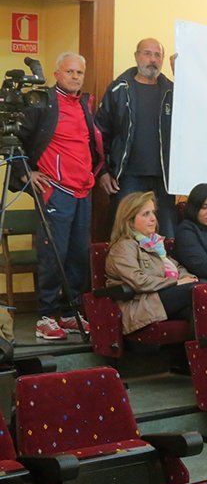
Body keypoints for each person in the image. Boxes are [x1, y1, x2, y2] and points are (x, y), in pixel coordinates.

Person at [18, 52, 101, 340]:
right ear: (57, 74)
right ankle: (45, 316)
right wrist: (26, 172)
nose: (76, 77)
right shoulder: (42, 102)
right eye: (70, 72)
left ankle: (68, 313)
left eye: (80, 72)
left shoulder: (85, 105)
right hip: (56, 190)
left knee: (78, 255)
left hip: (83, 191)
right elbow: (16, 138)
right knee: (53, 254)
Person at [96, 38, 177, 238]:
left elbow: (196, 118)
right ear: (136, 56)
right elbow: (99, 133)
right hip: (127, 177)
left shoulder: (173, 91)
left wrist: (182, 76)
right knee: (125, 234)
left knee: (166, 236)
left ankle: (167, 271)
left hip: (164, 178)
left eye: (157, 55)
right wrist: (102, 171)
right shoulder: (118, 89)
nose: (152, 59)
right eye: (147, 53)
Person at [105, 192, 197, 335]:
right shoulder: (124, 246)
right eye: (146, 214)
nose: (153, 218)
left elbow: (177, 268)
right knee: (195, 291)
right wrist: (175, 283)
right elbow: (138, 281)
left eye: (153, 212)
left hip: (161, 299)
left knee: (199, 306)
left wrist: (190, 278)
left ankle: (206, 353)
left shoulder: (155, 244)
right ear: (129, 220)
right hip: (141, 305)